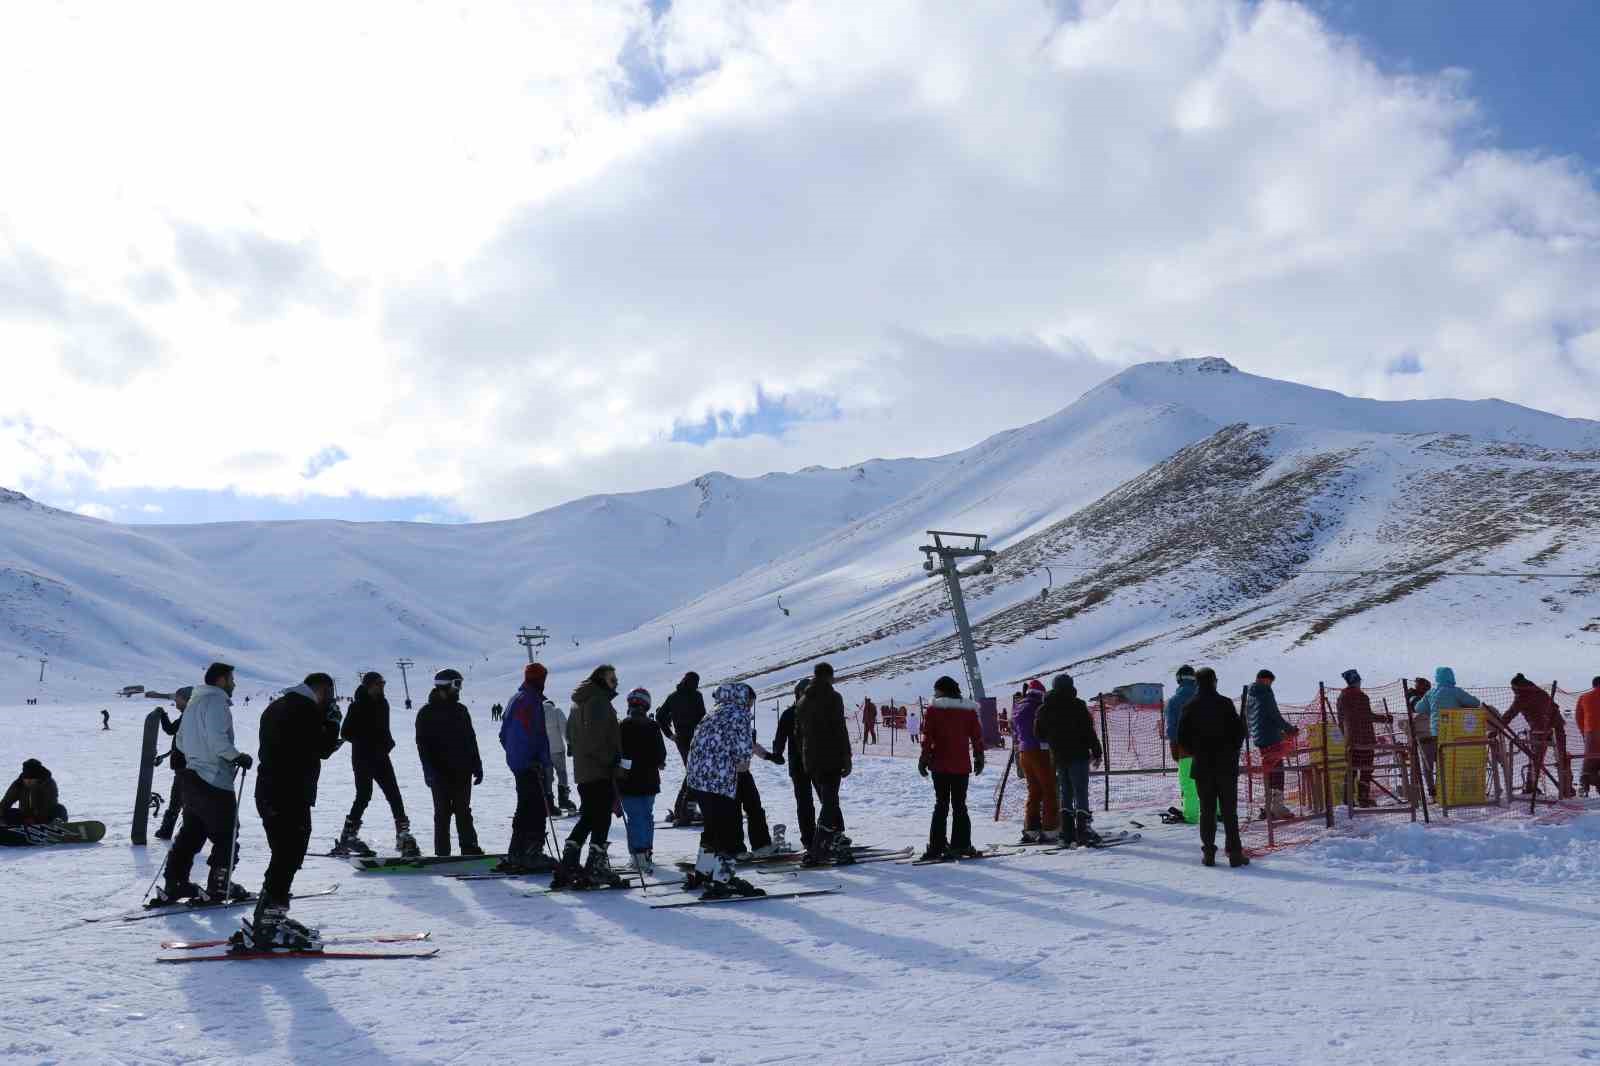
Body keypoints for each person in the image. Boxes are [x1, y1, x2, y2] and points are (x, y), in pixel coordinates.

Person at [242, 673, 343, 950]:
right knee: (288, 853)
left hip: (272, 790)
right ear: (320, 690)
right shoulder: (304, 709)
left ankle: (270, 915)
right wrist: (333, 723)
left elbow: (302, 745)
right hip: (288, 792)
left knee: (284, 854)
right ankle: (268, 922)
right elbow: (321, 747)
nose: (330, 701)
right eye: (330, 696)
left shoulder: (281, 705)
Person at [159, 662, 251, 905]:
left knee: (192, 831)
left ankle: (175, 882)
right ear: (221, 680)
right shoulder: (216, 702)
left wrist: (195, 758)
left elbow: (179, 741)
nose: (234, 684)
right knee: (227, 833)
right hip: (214, 779)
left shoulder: (194, 703)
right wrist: (236, 756)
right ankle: (220, 885)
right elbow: (216, 739)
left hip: (191, 777)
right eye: (231, 679)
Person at [684, 682, 766, 898]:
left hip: (698, 780)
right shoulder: (739, 715)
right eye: (751, 702)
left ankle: (703, 872)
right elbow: (742, 761)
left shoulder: (714, 712)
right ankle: (723, 880)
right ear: (745, 699)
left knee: (712, 829)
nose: (750, 707)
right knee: (729, 831)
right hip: (720, 782)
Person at [554, 664, 624, 889]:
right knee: (600, 817)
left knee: (590, 816)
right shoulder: (598, 701)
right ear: (602, 680)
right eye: (613, 679)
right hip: (599, 770)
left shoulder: (580, 702)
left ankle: (570, 862)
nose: (616, 683)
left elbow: (573, 737)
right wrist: (611, 761)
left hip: (585, 770)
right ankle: (595, 867)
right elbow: (595, 739)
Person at [336, 672, 419, 858]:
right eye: (378, 684)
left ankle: (403, 835)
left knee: (394, 794)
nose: (381, 687)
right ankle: (348, 835)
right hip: (362, 757)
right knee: (364, 795)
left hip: (381, 756)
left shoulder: (383, 704)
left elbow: (384, 728)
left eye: (383, 684)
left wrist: (388, 742)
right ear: (368, 686)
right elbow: (346, 732)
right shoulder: (357, 706)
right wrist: (366, 739)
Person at [1175, 668, 1247, 867]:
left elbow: (1181, 737)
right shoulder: (1225, 703)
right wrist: (1232, 750)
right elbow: (1239, 733)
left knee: (1207, 810)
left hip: (1202, 765)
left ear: (1197, 683)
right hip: (1226, 765)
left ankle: (1209, 853)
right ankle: (1234, 854)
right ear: (1214, 681)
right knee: (1229, 811)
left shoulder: (1190, 706)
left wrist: (1197, 750)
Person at [414, 668, 483, 857]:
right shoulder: (426, 713)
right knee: (442, 814)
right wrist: (428, 770)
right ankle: (443, 854)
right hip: (439, 772)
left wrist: (477, 765)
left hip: (462, 770)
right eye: (456, 684)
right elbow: (422, 745)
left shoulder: (461, 710)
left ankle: (469, 849)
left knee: (463, 812)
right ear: (445, 686)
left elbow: (471, 739)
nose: (459, 689)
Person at [496, 663, 556, 874]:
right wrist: (537, 761)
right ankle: (532, 853)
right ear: (540, 680)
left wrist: (516, 758)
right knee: (536, 808)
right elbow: (534, 736)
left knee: (524, 807)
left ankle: (517, 851)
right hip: (530, 764)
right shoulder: (530, 702)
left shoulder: (516, 699)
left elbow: (503, 735)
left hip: (520, 763)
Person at [916, 676, 984, 861]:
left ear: (942, 690)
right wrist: (979, 756)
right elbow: (977, 736)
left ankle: (937, 846)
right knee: (960, 805)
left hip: (940, 764)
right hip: (961, 765)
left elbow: (927, 736)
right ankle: (961, 844)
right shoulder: (969, 710)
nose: (934, 693)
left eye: (936, 689)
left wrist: (923, 759)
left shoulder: (934, 710)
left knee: (941, 805)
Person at [1035, 673, 1103, 847]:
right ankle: (1084, 831)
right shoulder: (1078, 705)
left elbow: (1038, 734)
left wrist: (1053, 738)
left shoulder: (1045, 707)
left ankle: (1066, 832)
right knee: (1080, 791)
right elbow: (1089, 731)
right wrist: (1097, 751)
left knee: (1065, 792)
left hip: (1058, 756)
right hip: (1078, 754)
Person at [798, 661, 853, 866]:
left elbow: (799, 732)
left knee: (828, 801)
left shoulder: (803, 698)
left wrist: (804, 757)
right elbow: (840, 728)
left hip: (811, 758)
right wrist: (846, 757)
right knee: (829, 803)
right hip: (830, 757)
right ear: (830, 676)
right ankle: (819, 848)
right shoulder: (832, 696)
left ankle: (836, 839)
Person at [617, 686, 668, 875]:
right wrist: (656, 763)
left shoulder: (623, 725)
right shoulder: (653, 726)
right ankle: (646, 851)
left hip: (629, 781)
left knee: (635, 817)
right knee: (646, 816)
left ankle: (638, 855)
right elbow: (660, 755)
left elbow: (620, 754)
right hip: (650, 780)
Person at [766, 679, 817, 853]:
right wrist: (777, 754)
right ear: (798, 694)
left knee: (826, 801)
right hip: (799, 765)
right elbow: (780, 737)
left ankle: (828, 836)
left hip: (817, 763)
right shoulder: (790, 714)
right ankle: (809, 839)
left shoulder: (816, 711)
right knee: (805, 803)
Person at [1502, 673, 1571, 797]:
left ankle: (1531, 786)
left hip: (1541, 730)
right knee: (1561, 757)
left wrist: (1498, 726)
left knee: (1535, 758)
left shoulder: (1522, 697)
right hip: (1557, 726)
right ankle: (1567, 787)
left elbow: (1510, 714)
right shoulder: (1539, 692)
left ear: (1517, 687)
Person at [1245, 669, 1297, 819]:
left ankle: (1270, 806)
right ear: (1265, 679)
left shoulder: (1250, 694)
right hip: (1271, 738)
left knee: (1269, 771)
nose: (1271, 685)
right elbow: (1274, 715)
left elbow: (1258, 717)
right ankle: (1277, 808)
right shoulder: (1265, 692)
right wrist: (1289, 729)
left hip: (1260, 739)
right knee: (1278, 771)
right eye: (1270, 681)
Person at [1012, 679, 1059, 842]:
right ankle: (1051, 828)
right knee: (1049, 789)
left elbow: (1015, 730)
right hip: (1040, 750)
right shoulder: (1039, 706)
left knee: (1034, 790)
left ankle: (1031, 827)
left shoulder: (1018, 706)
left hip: (1024, 752)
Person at [658, 672, 707, 824]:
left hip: (682, 740)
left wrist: (670, 735)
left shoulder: (673, 696)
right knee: (694, 774)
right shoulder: (696, 696)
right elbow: (703, 718)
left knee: (692, 773)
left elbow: (660, 716)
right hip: (696, 740)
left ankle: (682, 809)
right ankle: (685, 811)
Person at [1335, 670, 1388, 807]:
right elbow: (1368, 716)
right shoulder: (1362, 697)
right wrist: (1385, 719)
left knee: (1351, 769)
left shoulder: (1342, 697)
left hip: (1351, 740)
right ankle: (1363, 798)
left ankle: (1347, 799)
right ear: (1357, 681)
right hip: (1366, 739)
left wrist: (1345, 736)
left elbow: (1341, 720)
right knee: (1366, 769)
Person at [153, 686, 193, 840]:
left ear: (187, 700)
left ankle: (167, 831)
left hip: (185, 765)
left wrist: (162, 715)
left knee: (177, 800)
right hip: (188, 764)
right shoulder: (192, 714)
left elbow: (170, 729)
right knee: (184, 799)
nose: (176, 702)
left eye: (178, 700)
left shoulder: (188, 716)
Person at [1165, 665, 1200, 823]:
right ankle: (1218, 813)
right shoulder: (1205, 697)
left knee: (1189, 784)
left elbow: (1173, 728)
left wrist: (1174, 747)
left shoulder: (1174, 702)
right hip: (1209, 749)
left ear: (1179, 679)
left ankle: (1191, 815)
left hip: (1185, 750)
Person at [1, 759, 68, 824]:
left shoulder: (48, 783)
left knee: (60, 809)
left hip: (44, 818)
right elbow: (6, 802)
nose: (28, 781)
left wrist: (35, 819)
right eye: (26, 778)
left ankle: (58, 825)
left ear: (38, 778)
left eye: (32, 779)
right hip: (25, 817)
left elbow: (49, 804)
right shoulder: (18, 783)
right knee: (6, 812)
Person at [1406, 676, 1437, 800]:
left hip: (1428, 734)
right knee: (1427, 766)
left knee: (1427, 766)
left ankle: (1432, 790)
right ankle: (1431, 791)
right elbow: (1418, 707)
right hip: (1424, 735)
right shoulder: (1415, 699)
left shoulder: (1417, 697)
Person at [544, 695, 575, 813]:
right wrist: (570, 744)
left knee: (548, 777)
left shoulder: (538, 713)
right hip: (557, 750)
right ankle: (563, 800)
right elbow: (564, 728)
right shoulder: (556, 711)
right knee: (561, 774)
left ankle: (549, 805)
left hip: (544, 752)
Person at [1576, 677, 1600, 796]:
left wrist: (1584, 733)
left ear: (1593, 685)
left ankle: (1585, 786)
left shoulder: (1584, 697)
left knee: (1589, 762)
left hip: (1591, 733)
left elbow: (1578, 718)